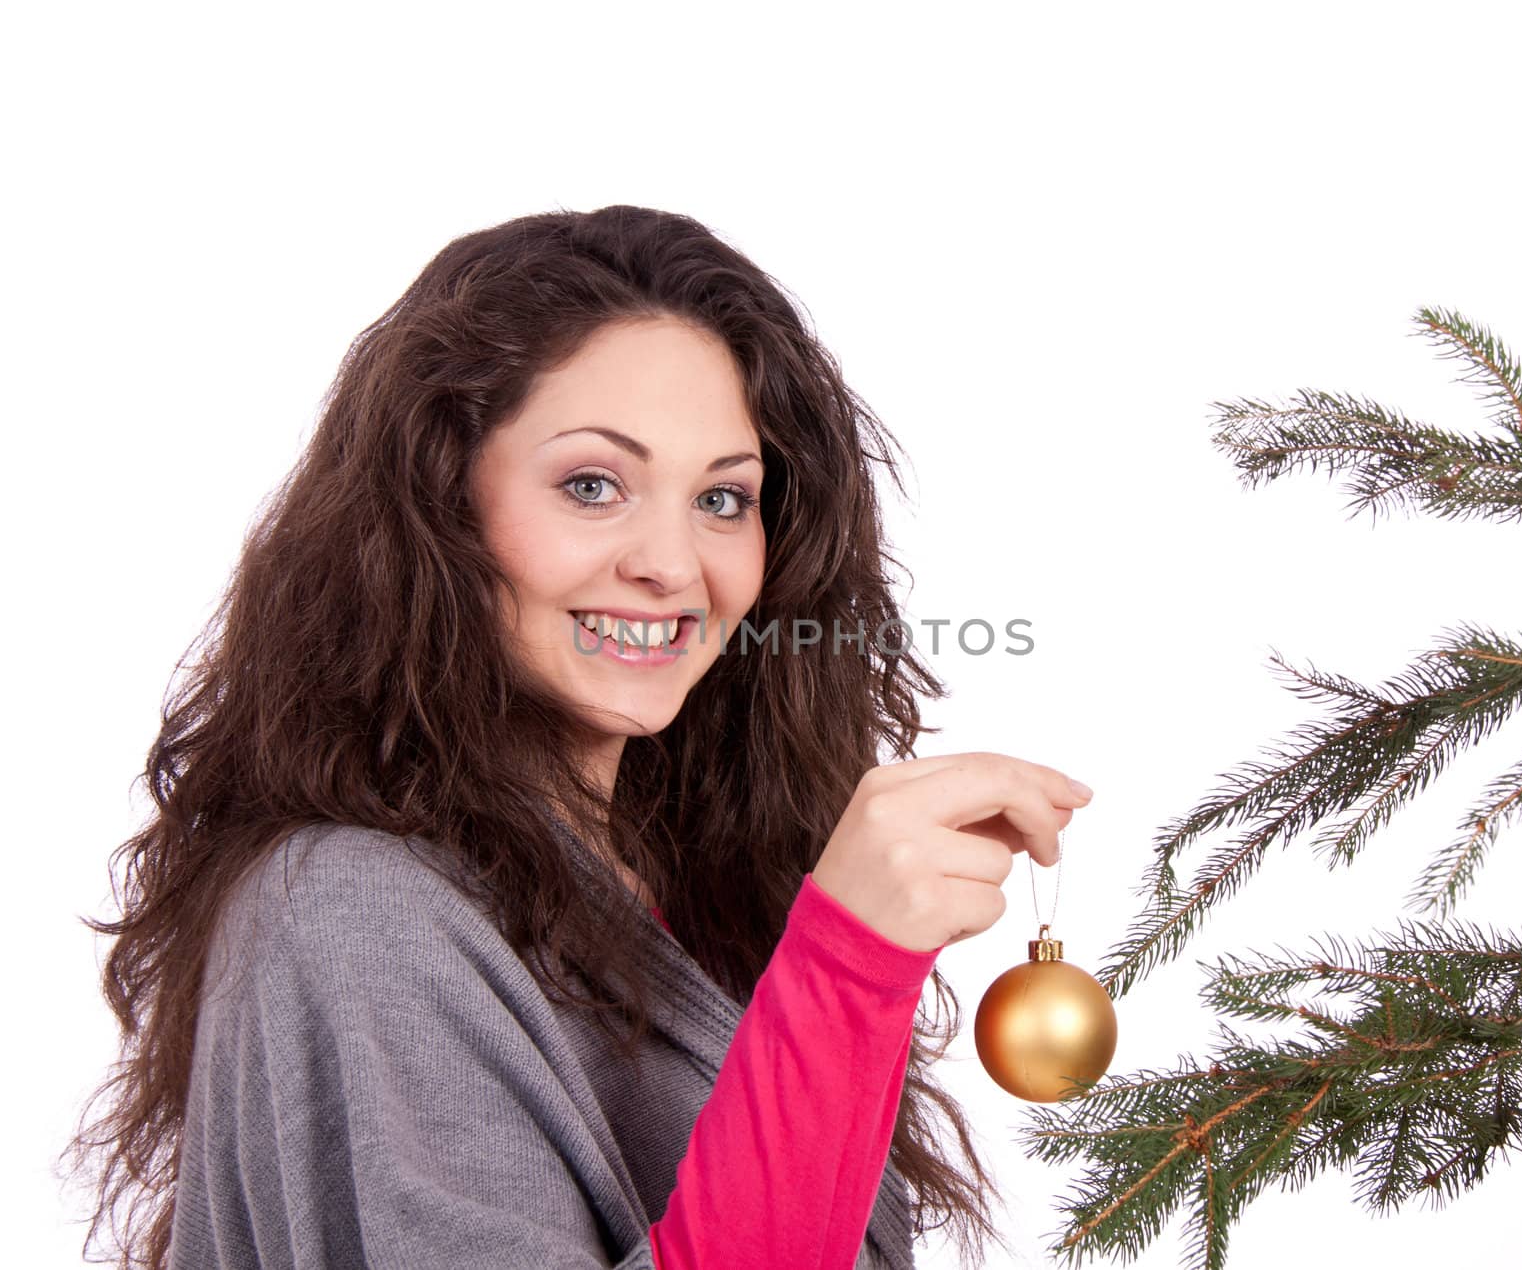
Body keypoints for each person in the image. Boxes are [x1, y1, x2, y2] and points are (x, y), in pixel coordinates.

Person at [63, 205, 1092, 1269]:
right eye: (592, 485)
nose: (670, 562)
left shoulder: (693, 887)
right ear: (442, 504)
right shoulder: (350, 906)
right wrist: (842, 972)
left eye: (724, 498)